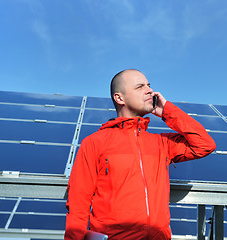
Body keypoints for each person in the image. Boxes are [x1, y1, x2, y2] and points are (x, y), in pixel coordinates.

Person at [64, 69, 216, 240]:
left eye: (149, 85)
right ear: (119, 98)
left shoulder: (161, 143)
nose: (150, 90)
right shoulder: (94, 143)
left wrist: (167, 111)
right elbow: (78, 204)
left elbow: (205, 144)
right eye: (140, 87)